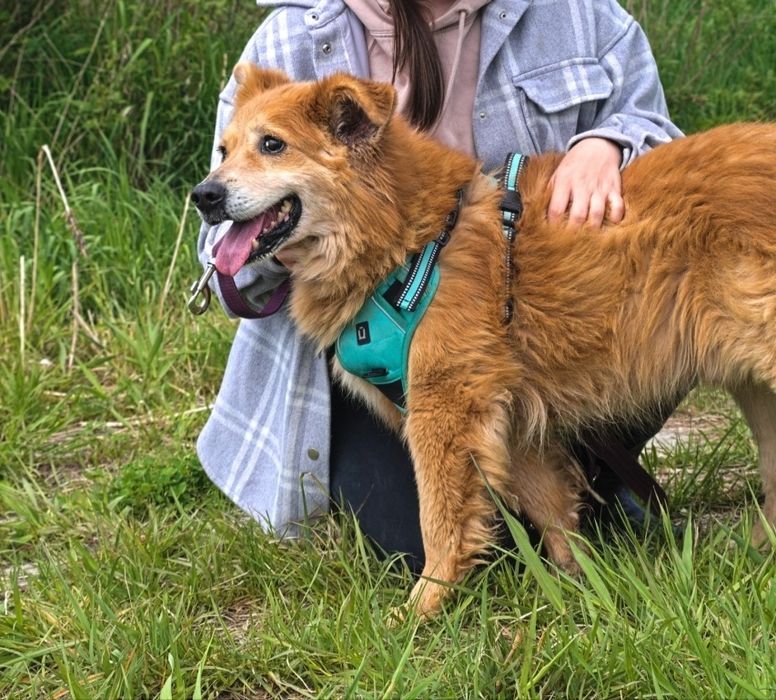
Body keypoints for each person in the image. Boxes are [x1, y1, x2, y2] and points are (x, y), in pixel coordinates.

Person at [196, 0, 683, 566]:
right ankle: (564, 497)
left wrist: (609, 143)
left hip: (546, 310)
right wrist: (284, 244)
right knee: (413, 538)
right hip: (374, 355)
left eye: (270, 146)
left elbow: (660, 141)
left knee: (663, 313)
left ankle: (590, 477)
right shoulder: (289, 37)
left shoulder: (575, 13)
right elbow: (223, 259)